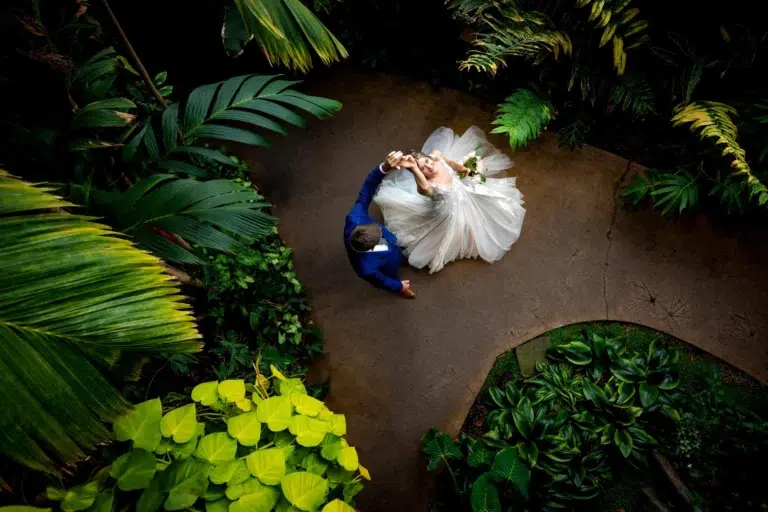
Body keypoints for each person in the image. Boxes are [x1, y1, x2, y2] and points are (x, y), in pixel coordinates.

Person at [373, 126, 526, 273]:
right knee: (462, 226)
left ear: (428, 156)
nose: (428, 167)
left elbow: (452, 165)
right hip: (447, 210)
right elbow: (426, 189)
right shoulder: (427, 186)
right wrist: (413, 168)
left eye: (427, 162)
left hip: (462, 191)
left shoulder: (437, 156)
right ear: (420, 174)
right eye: (423, 169)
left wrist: (466, 170)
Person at [344, 151, 415, 298]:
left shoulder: (355, 217)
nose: (381, 232)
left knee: (396, 244)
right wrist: (399, 286)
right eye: (379, 236)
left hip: (390, 250)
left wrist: (384, 167)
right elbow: (382, 281)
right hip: (389, 265)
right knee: (393, 270)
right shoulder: (366, 269)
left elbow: (366, 190)